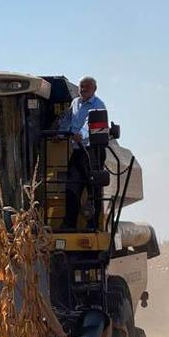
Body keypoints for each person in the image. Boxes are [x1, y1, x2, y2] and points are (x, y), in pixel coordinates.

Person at [57, 76, 106, 229]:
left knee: (93, 190)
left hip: (93, 152)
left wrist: (82, 135)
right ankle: (69, 223)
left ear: (94, 89)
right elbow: (67, 119)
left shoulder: (99, 105)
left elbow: (89, 125)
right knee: (71, 187)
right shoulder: (75, 103)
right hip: (78, 152)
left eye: (86, 87)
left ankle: (92, 225)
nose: (83, 90)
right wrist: (60, 132)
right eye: (81, 87)